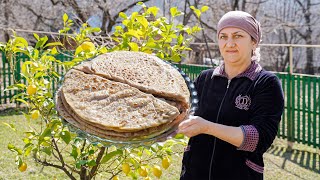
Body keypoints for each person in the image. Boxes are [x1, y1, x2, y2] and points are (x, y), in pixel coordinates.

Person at [178, 11, 284, 180]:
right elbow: (181, 114)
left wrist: (206, 127)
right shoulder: (205, 78)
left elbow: (259, 139)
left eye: (238, 36)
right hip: (194, 173)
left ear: (254, 42)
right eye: (223, 36)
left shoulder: (265, 83)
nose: (229, 43)